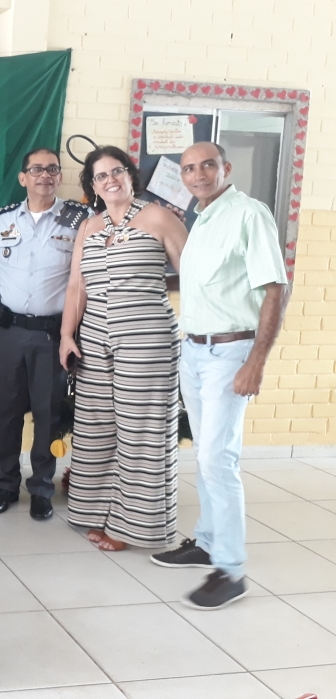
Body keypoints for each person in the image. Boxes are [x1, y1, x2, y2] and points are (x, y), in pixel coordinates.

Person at [150, 141, 287, 610]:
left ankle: (230, 570)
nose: (198, 174)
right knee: (205, 455)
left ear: (225, 168)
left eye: (207, 165)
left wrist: (256, 361)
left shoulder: (249, 214)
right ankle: (207, 541)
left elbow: (274, 289)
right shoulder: (201, 218)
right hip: (195, 351)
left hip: (231, 353)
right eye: (189, 168)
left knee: (218, 459)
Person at [59, 145, 187, 551]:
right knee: (96, 430)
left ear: (131, 175)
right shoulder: (89, 226)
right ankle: (95, 511)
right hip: (94, 339)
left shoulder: (158, 217)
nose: (109, 180)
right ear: (92, 186)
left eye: (116, 171)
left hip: (146, 339)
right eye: (100, 176)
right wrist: (67, 335)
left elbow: (195, 276)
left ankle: (134, 527)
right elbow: (77, 286)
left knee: (141, 433)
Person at [0, 149, 90, 520]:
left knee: (48, 414)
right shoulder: (5, 219)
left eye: (52, 169)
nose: (45, 175)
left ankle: (41, 487)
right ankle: (4, 484)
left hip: (52, 335)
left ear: (59, 176)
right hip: (7, 333)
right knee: (5, 412)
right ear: (23, 177)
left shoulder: (80, 219)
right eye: (36, 169)